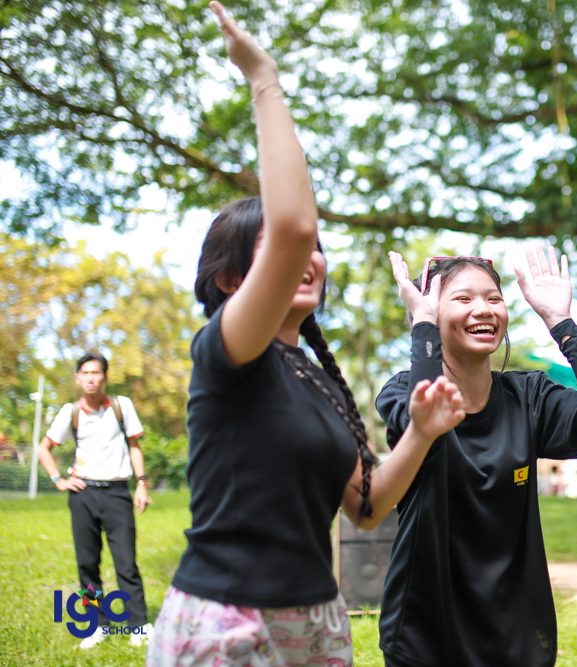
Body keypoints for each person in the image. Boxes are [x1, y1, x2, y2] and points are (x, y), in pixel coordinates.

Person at [146, 5, 466, 666]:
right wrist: (263, 77)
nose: (307, 255)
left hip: (318, 618)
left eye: (317, 249)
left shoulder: (316, 379)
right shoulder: (227, 353)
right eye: (281, 250)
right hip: (228, 619)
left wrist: (422, 432)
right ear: (231, 278)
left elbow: (367, 507)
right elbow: (292, 227)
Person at [375, 248, 577, 667]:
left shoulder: (528, 396)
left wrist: (561, 323)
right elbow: (427, 424)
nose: (484, 309)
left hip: (515, 630)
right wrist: (422, 323)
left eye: (494, 298)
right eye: (462, 298)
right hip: (426, 630)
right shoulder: (402, 392)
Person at [38, 351, 152, 648]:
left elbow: (134, 445)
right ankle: (97, 626)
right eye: (85, 373)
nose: (91, 378)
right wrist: (59, 480)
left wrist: (141, 484)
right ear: (78, 378)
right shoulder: (71, 412)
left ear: (105, 377)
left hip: (117, 493)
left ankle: (139, 625)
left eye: (96, 372)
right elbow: (43, 448)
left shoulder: (121, 406)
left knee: (126, 562)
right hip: (83, 494)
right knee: (87, 564)